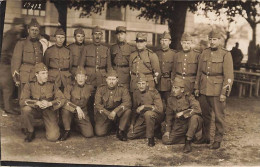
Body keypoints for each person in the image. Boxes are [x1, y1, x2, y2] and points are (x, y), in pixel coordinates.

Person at [194, 30, 234, 149]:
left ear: (219, 40)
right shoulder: (204, 53)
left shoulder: (225, 54)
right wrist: (197, 87)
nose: (212, 42)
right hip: (204, 87)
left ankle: (217, 140)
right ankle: (205, 137)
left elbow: (229, 76)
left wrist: (224, 93)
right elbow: (199, 72)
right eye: (210, 39)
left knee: (219, 116)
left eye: (214, 39)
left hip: (217, 89)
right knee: (205, 115)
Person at [20, 63, 65, 142]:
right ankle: (30, 131)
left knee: (53, 137)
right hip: (35, 110)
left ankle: (49, 125)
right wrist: (36, 103)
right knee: (26, 109)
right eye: (43, 73)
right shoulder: (29, 84)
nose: (46, 76)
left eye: (47, 73)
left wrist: (50, 103)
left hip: (49, 110)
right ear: (36, 74)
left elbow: (62, 99)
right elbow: (22, 100)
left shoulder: (52, 84)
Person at [162, 77, 203, 153]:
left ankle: (188, 141)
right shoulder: (170, 100)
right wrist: (167, 131)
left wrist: (183, 113)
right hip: (180, 125)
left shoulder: (189, 97)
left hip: (190, 123)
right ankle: (188, 136)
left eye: (176, 88)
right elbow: (169, 116)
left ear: (182, 90)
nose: (173, 90)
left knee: (195, 117)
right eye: (173, 87)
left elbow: (198, 109)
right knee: (166, 141)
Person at [127, 73, 163, 147]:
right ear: (136, 85)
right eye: (139, 84)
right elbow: (134, 109)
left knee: (148, 114)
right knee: (130, 135)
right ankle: (153, 130)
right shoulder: (136, 93)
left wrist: (145, 106)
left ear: (147, 84)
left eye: (143, 83)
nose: (141, 86)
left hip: (155, 116)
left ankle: (150, 138)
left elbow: (160, 109)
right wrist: (132, 124)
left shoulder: (154, 92)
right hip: (143, 119)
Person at [94, 70, 132, 141]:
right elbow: (97, 104)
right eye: (109, 79)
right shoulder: (101, 89)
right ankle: (111, 126)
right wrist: (108, 113)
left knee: (127, 110)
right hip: (105, 114)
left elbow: (127, 102)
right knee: (100, 133)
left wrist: (115, 111)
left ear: (117, 80)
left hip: (117, 114)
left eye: (113, 79)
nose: (111, 81)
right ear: (106, 80)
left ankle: (121, 130)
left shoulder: (122, 89)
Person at [60, 66, 94, 141]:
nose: (80, 79)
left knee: (89, 134)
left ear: (86, 78)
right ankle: (67, 130)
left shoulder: (90, 88)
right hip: (71, 110)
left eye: (82, 77)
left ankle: (76, 125)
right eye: (79, 76)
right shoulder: (69, 87)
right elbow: (66, 101)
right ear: (75, 78)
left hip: (83, 111)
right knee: (65, 110)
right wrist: (76, 107)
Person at [11, 18, 43, 94]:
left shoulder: (39, 44)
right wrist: (16, 79)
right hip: (25, 76)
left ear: (38, 31)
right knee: (23, 99)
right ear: (28, 30)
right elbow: (16, 61)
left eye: (36, 30)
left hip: (36, 77)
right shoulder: (21, 43)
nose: (34, 32)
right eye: (32, 30)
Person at [0, 17, 25, 115]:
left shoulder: (13, 35)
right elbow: (4, 50)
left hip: (5, 64)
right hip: (6, 65)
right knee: (8, 87)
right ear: (15, 25)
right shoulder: (10, 35)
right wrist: (10, 61)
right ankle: (8, 108)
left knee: (4, 87)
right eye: (20, 26)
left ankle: (3, 105)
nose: (22, 28)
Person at [156, 31, 176, 109]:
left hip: (168, 83)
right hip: (158, 82)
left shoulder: (174, 54)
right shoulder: (156, 53)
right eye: (162, 40)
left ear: (170, 42)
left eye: (166, 40)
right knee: (157, 104)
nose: (163, 42)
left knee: (169, 104)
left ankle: (169, 120)